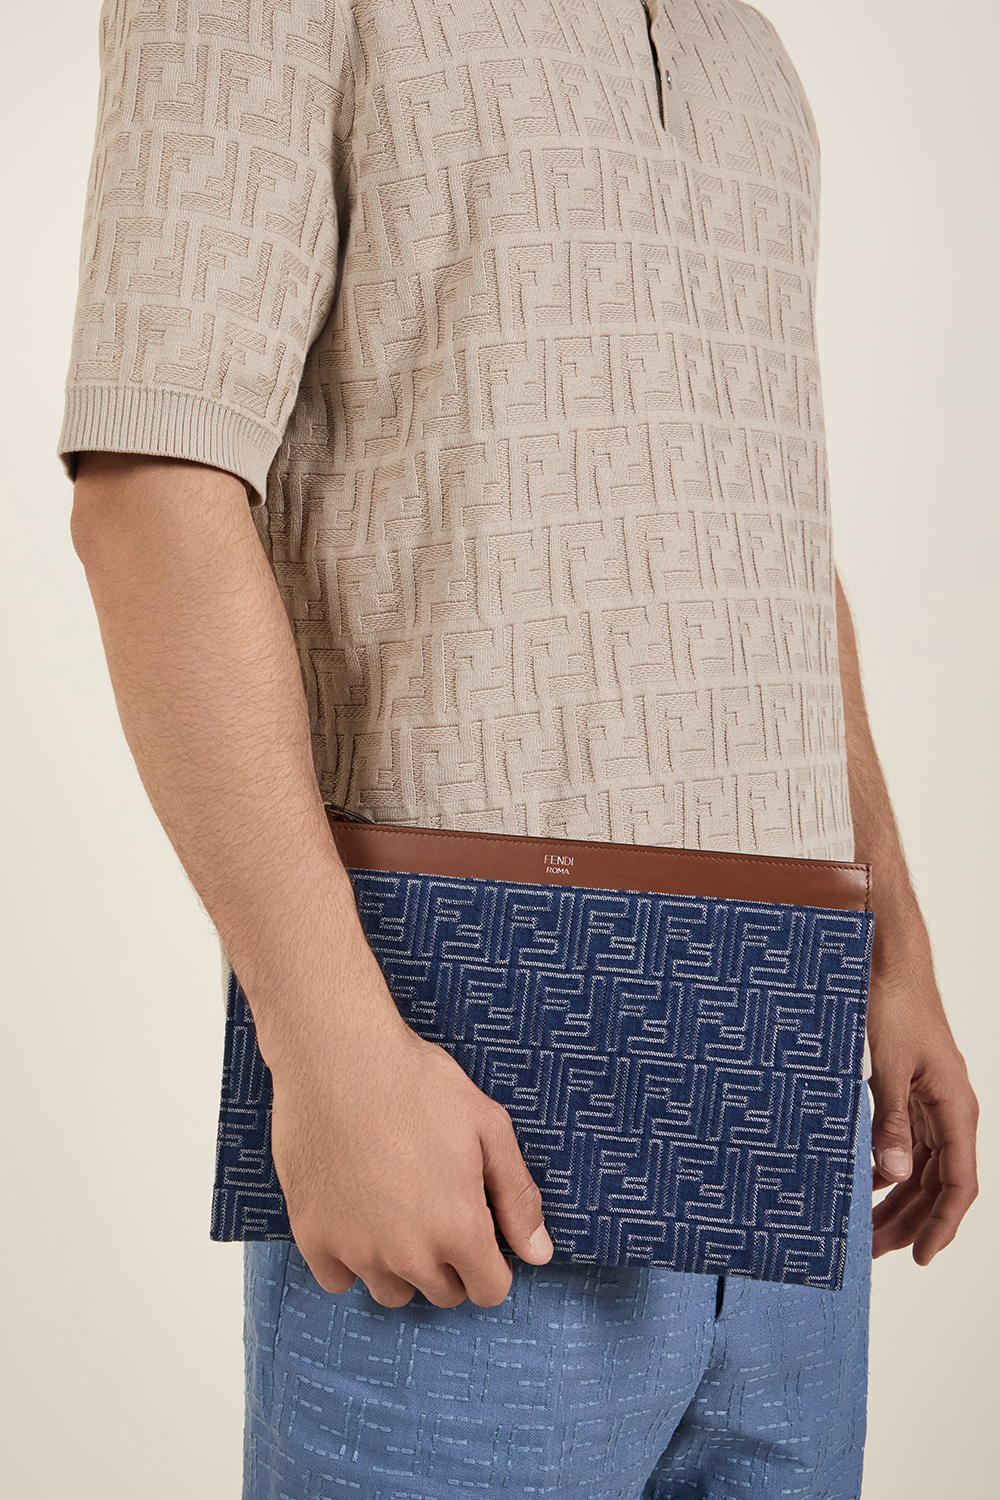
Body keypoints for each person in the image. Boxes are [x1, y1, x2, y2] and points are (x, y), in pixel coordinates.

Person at [60, 1, 978, 1495]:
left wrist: (896, 953)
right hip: (460, 1132)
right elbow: (152, 491)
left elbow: (767, 542)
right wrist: (330, 1051)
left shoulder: (741, 44)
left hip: (786, 1123)